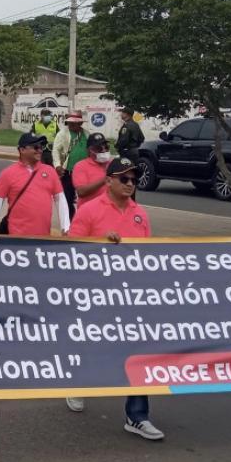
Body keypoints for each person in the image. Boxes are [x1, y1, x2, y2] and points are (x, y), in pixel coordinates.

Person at [66, 157, 163, 440]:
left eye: (133, 179)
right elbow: (71, 252)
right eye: (124, 179)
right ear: (108, 181)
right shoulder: (88, 211)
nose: (130, 184)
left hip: (131, 296)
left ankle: (137, 416)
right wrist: (98, 247)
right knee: (93, 346)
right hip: (97, 294)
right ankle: (78, 382)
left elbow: (147, 256)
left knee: (138, 353)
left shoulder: (140, 214)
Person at [0, 133, 69, 236]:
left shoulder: (50, 171)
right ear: (22, 150)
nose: (40, 150)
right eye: (36, 147)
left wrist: (66, 227)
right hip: (17, 240)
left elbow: (60, 199)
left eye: (41, 146)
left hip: (43, 239)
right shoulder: (7, 174)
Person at [51, 112, 87, 218]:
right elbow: (55, 150)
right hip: (68, 172)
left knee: (85, 197)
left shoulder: (87, 134)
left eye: (74, 123)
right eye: (69, 123)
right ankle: (70, 220)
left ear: (80, 123)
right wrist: (57, 165)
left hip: (85, 172)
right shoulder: (62, 134)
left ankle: (84, 218)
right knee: (68, 198)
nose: (71, 125)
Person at [71, 133, 112, 209]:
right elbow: (81, 192)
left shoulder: (112, 164)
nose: (104, 150)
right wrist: (104, 180)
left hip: (109, 212)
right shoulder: (80, 166)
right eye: (99, 148)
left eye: (106, 147)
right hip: (88, 213)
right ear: (90, 150)